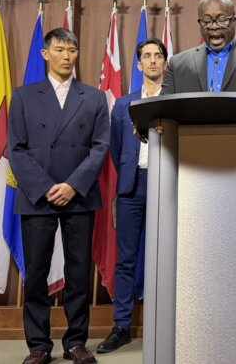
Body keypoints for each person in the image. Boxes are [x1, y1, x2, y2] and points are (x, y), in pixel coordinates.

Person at [8, 28, 110, 364]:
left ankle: (76, 342)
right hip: (38, 196)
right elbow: (17, 149)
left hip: (78, 196)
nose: (67, 56)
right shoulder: (23, 95)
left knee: (78, 273)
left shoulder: (94, 97)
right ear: (45, 54)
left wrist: (72, 186)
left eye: (73, 50)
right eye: (61, 49)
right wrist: (46, 187)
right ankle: (38, 345)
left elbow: (100, 148)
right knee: (36, 273)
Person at [97, 38, 167, 354]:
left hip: (168, 186)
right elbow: (116, 147)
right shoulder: (123, 105)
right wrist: (130, 171)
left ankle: (165, 324)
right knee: (125, 259)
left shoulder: (176, 100)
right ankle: (121, 326)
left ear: (165, 62)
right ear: (138, 65)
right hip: (131, 186)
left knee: (166, 259)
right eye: (146, 56)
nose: (152, 61)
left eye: (158, 55)